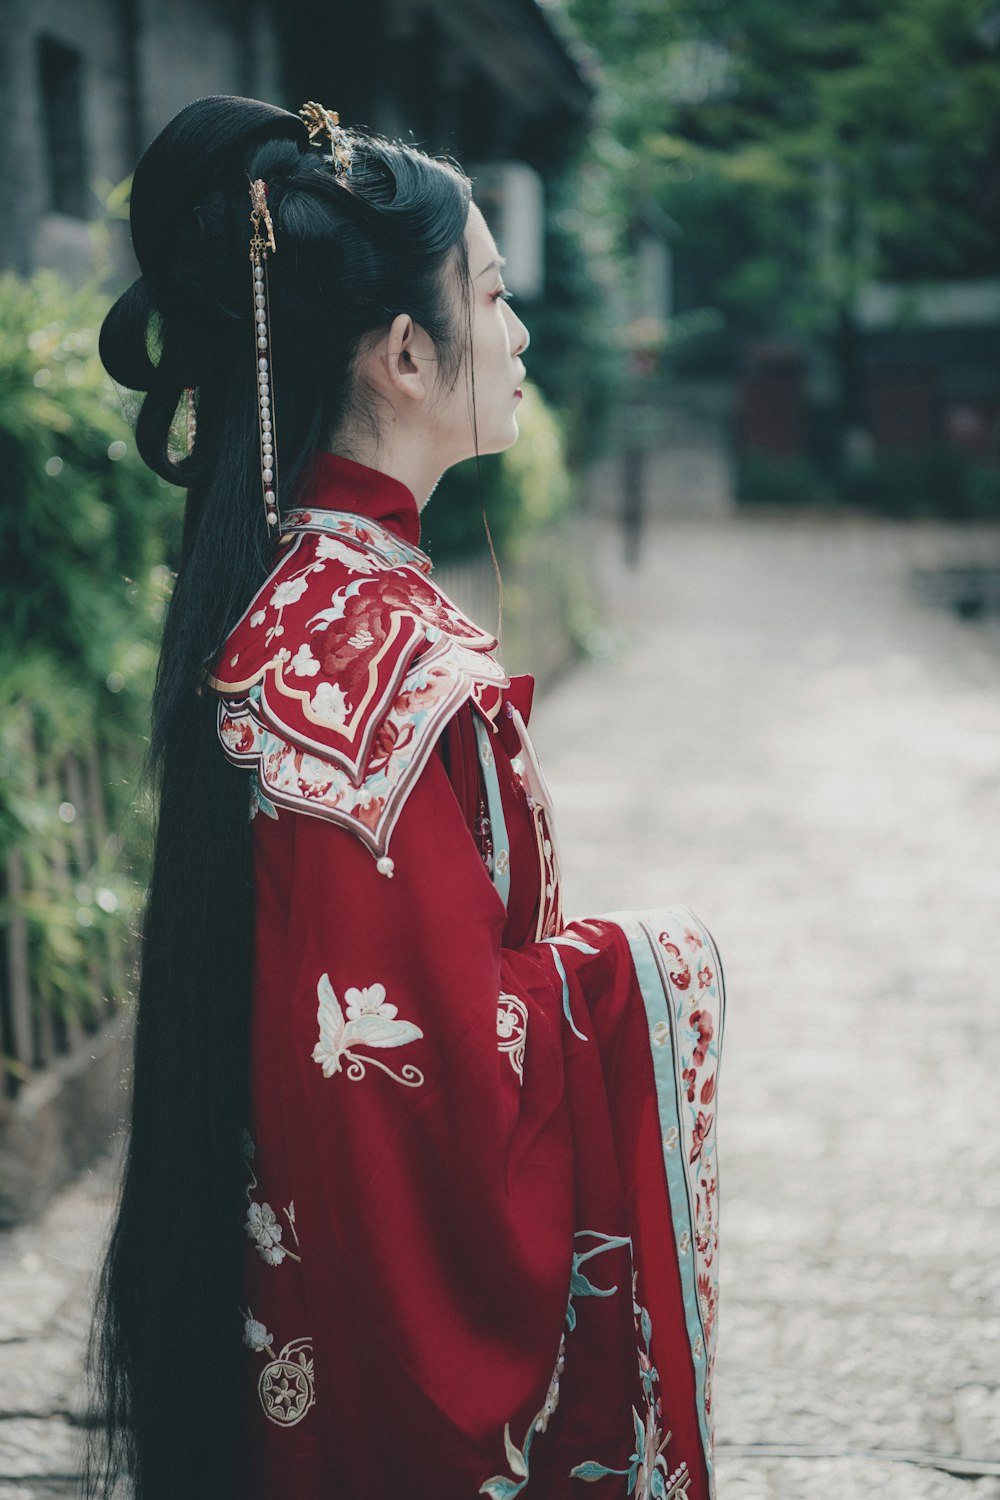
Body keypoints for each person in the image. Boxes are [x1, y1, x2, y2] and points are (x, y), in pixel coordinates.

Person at [85, 95, 726, 1500]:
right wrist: (648, 974)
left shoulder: (287, 609)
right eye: (494, 298)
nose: (521, 334)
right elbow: (417, 1072)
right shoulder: (384, 662)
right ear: (405, 356)